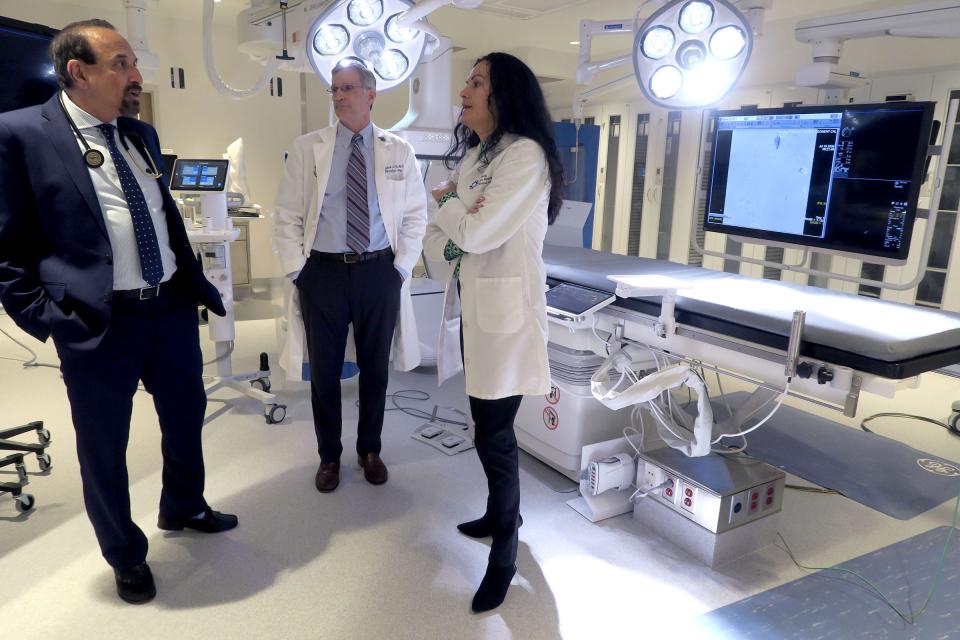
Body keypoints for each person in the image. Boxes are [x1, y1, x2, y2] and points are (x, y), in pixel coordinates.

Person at [0, 20, 238, 604]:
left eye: (134, 64)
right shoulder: (20, 134)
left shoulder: (139, 135)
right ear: (78, 72)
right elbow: (7, 249)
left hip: (170, 310)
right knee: (104, 445)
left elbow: (160, 217)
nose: (136, 76)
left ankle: (184, 505)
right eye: (122, 64)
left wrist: (191, 285)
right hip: (97, 323)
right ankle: (125, 554)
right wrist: (49, 320)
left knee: (186, 417)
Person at [424, 52, 565, 613]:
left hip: (505, 318)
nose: (464, 90)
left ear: (503, 95)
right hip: (476, 310)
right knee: (485, 428)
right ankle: (498, 514)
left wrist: (456, 207)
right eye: (468, 80)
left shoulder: (525, 156)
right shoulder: (483, 152)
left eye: (476, 81)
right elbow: (440, 237)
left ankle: (505, 548)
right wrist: (459, 212)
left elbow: (474, 232)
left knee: (496, 439)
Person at [273, 59, 427, 493]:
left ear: (370, 94)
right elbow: (284, 215)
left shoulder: (399, 150)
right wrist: (297, 272)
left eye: (348, 88)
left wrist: (400, 269)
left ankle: (370, 449)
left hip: (379, 270)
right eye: (334, 90)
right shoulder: (308, 148)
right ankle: (329, 456)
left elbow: (416, 215)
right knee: (324, 371)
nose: (339, 96)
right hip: (322, 271)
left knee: (376, 367)